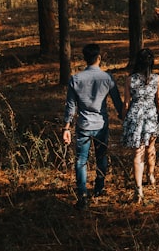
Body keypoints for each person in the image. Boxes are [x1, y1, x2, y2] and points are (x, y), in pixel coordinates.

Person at [63, 43, 124, 209]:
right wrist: (123, 117)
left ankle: (82, 192)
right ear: (99, 58)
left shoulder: (75, 80)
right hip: (101, 124)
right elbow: (118, 102)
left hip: (83, 124)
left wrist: (66, 127)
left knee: (81, 160)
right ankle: (99, 186)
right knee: (101, 156)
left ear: (85, 59)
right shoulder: (107, 78)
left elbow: (70, 106)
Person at [121, 47, 159, 202]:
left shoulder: (130, 80)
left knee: (137, 153)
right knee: (151, 147)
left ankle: (138, 189)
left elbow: (126, 104)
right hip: (150, 116)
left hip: (135, 117)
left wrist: (123, 117)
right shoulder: (157, 79)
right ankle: (151, 175)